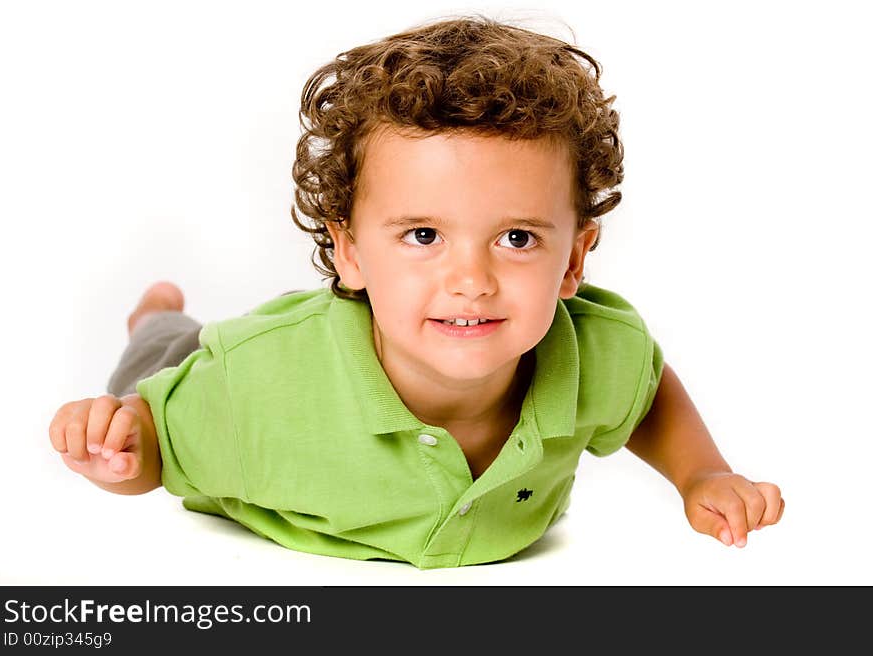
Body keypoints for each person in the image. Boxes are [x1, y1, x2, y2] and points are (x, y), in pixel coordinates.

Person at [48, 15, 784, 569]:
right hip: (221, 373)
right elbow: (150, 453)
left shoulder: (597, 351)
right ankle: (158, 313)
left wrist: (703, 472)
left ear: (574, 259)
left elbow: (646, 393)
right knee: (158, 356)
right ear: (348, 251)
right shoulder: (252, 389)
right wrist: (118, 451)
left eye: (517, 238)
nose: (470, 281)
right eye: (424, 236)